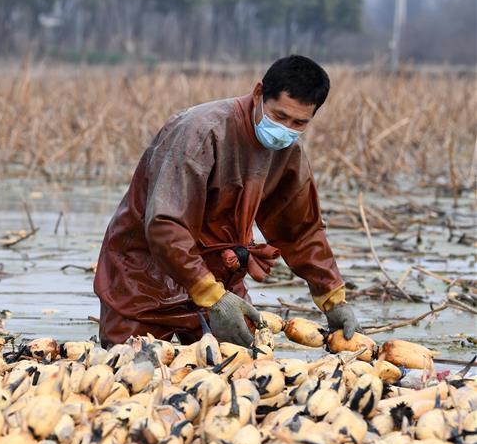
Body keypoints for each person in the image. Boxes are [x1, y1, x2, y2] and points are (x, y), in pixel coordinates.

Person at [94, 55, 360, 348]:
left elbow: (301, 229)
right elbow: (165, 225)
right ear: (259, 94)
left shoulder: (287, 152)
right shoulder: (201, 132)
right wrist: (211, 295)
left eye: (299, 122)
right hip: (146, 279)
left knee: (239, 372)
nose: (286, 128)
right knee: (127, 372)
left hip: (219, 283)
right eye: (280, 116)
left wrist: (332, 297)